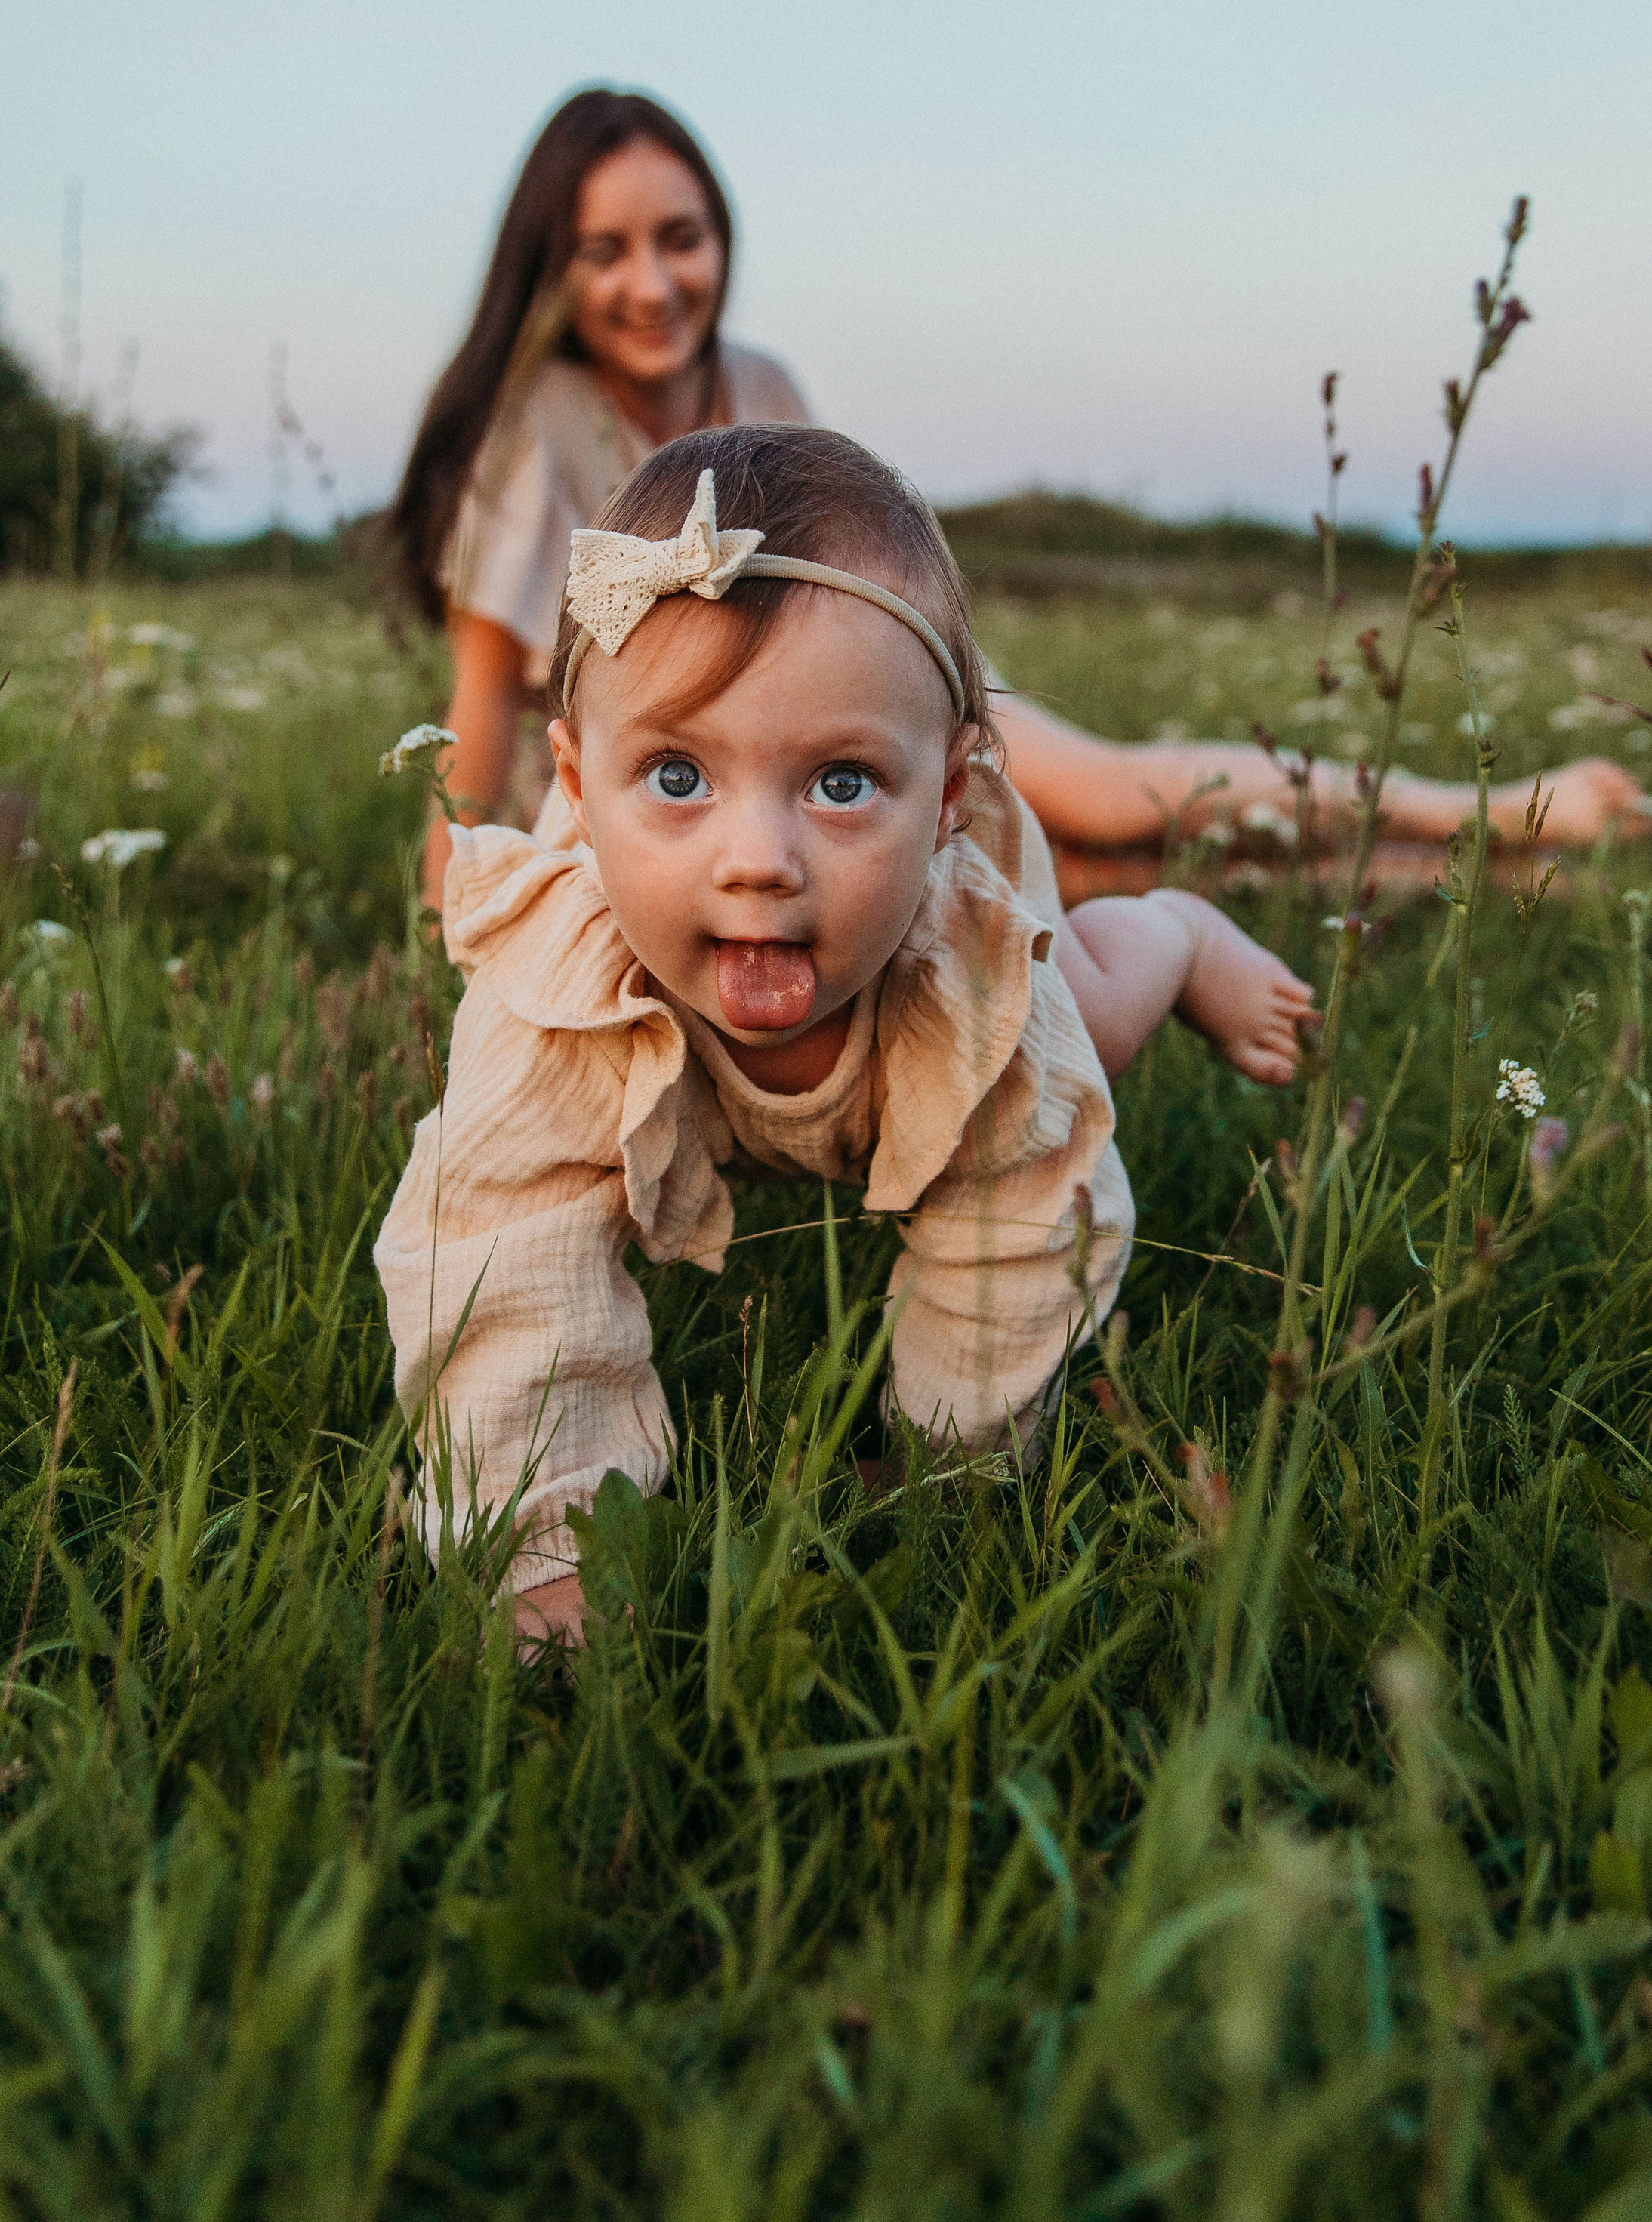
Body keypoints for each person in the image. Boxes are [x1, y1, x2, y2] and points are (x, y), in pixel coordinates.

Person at [374, 428, 1320, 1647]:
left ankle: (1177, 932)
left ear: (948, 797)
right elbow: (500, 1253)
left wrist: (948, 1459)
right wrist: (549, 1545)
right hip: (633, 981)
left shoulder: (969, 979)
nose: (758, 860)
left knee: (1092, 1027)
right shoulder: (555, 993)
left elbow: (1024, 1229)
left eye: (840, 783)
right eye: (677, 778)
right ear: (576, 782)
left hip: (964, 953)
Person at [387, 88, 1651, 922]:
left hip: (849, 717)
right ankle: (1461, 877)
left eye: (682, 237)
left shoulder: (760, 385)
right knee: (1084, 875)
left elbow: (848, 590)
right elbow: (479, 711)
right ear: (550, 269)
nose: (654, 283)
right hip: (675, 790)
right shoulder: (533, 427)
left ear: (721, 238)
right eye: (604, 251)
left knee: (1108, 799)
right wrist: (461, 918)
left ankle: (1482, 816)